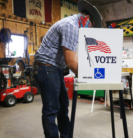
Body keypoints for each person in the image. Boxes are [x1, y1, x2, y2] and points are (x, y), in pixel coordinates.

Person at [33, 0, 102, 138]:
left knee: (63, 106)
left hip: (55, 68)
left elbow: (74, 56)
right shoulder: (71, 25)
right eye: (92, 26)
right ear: (87, 19)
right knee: (51, 110)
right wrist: (87, 77)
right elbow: (70, 61)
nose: (90, 29)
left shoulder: (75, 26)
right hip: (46, 68)